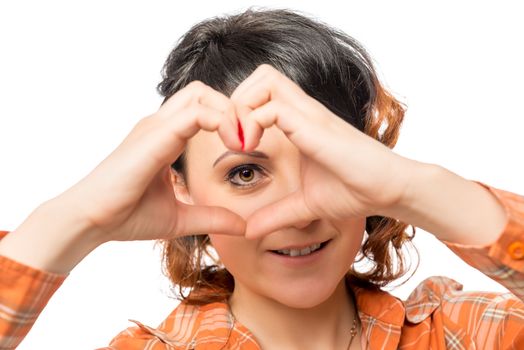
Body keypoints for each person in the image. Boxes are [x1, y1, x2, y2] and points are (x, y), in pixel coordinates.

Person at [1, 7, 523, 350]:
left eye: (327, 162)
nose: (301, 208)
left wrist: (418, 188)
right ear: (179, 186)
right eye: (246, 173)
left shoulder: (465, 333)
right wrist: (72, 221)